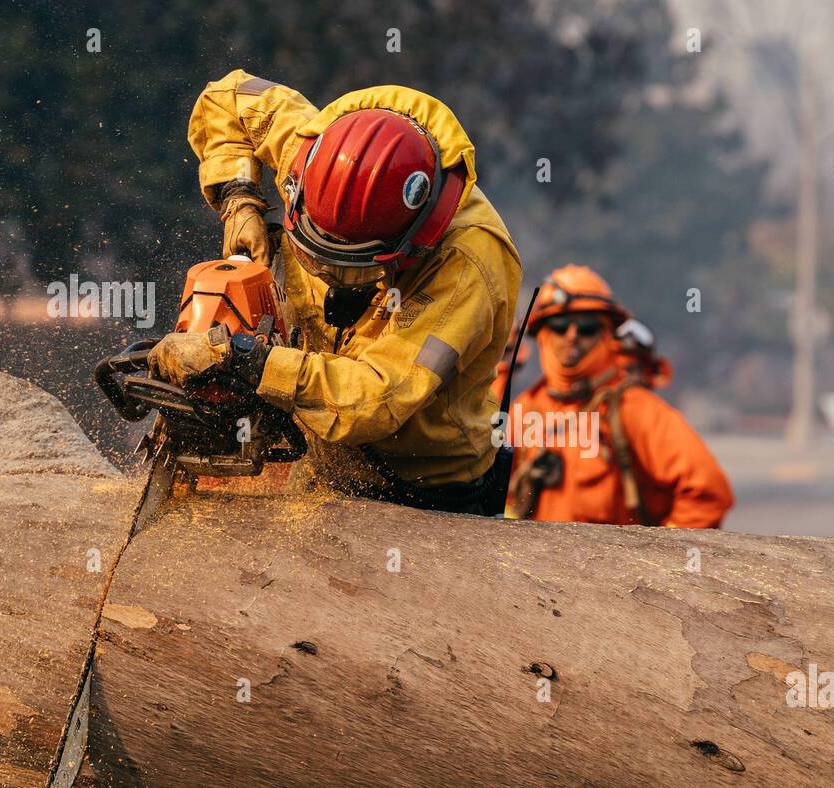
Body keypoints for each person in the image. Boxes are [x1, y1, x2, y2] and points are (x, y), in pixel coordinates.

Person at [147, 72, 521, 514]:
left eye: (345, 269)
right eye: (316, 257)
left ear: (406, 246)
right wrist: (239, 196)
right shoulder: (315, 150)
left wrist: (249, 360)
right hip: (323, 458)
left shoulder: (467, 264)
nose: (326, 275)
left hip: (427, 487)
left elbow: (377, 399)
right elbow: (225, 97)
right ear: (299, 187)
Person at [504, 264, 733, 527]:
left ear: (607, 334)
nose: (572, 336)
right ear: (542, 334)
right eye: (559, 325)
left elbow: (708, 492)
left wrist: (658, 560)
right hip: (533, 567)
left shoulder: (633, 409)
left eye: (587, 327)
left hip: (612, 568)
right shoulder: (526, 410)